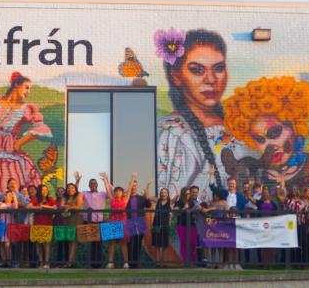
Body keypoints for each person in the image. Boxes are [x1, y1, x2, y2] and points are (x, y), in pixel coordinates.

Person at [157, 29, 250, 199]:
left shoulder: (237, 123)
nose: (211, 79)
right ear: (176, 76)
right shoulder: (174, 133)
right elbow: (168, 196)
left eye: (219, 68)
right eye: (197, 70)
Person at [102, 172, 134, 269]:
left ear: (122, 193)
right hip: (112, 222)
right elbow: (108, 188)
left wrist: (133, 178)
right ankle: (110, 262)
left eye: (120, 191)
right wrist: (105, 180)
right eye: (116, 191)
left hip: (122, 223)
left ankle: (126, 263)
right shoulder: (112, 199)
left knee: (123, 243)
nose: (117, 192)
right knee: (111, 243)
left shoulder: (125, 199)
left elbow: (129, 189)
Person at [80, 173, 107, 268]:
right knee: (89, 243)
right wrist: (77, 181)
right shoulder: (85, 193)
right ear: (89, 185)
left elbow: (112, 193)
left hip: (99, 221)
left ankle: (98, 264)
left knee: (98, 244)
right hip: (88, 221)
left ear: (97, 185)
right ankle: (89, 264)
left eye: (95, 183)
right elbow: (75, 195)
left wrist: (105, 180)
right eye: (91, 183)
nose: (93, 185)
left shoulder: (102, 194)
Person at [28, 184, 55, 269]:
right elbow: (28, 206)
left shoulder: (50, 199)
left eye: (46, 190)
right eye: (43, 190)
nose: (45, 191)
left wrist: (43, 206)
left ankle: (47, 262)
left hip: (47, 224)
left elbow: (55, 207)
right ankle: (41, 262)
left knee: (46, 244)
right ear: (39, 191)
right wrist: (38, 207)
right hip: (37, 224)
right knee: (38, 244)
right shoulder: (36, 199)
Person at [150, 187, 173, 266]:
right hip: (156, 225)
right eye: (162, 192)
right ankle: (158, 262)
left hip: (165, 225)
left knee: (165, 245)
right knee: (157, 245)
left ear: (167, 194)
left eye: (165, 192)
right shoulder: (157, 201)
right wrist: (148, 185)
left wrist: (176, 188)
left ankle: (165, 263)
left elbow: (177, 196)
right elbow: (147, 197)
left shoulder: (170, 203)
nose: (163, 194)